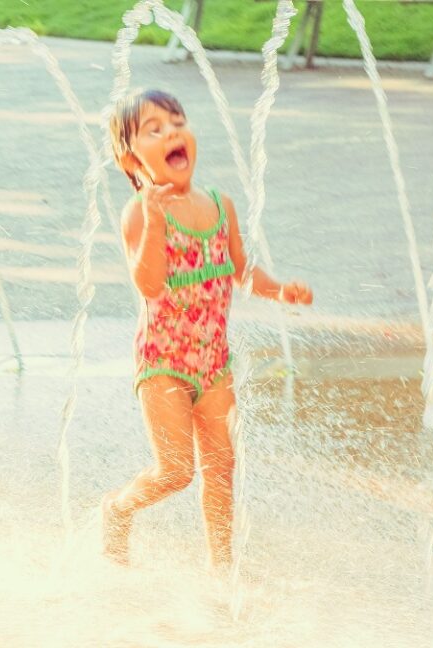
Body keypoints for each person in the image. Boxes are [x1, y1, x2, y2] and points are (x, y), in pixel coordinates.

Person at [101, 89, 312, 569]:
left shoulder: (220, 204)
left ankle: (222, 566)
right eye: (154, 129)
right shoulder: (139, 214)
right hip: (163, 363)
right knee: (176, 471)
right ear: (131, 159)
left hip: (214, 362)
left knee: (222, 467)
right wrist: (154, 221)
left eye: (177, 121)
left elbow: (241, 269)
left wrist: (281, 290)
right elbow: (150, 284)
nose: (172, 132)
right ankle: (118, 508)